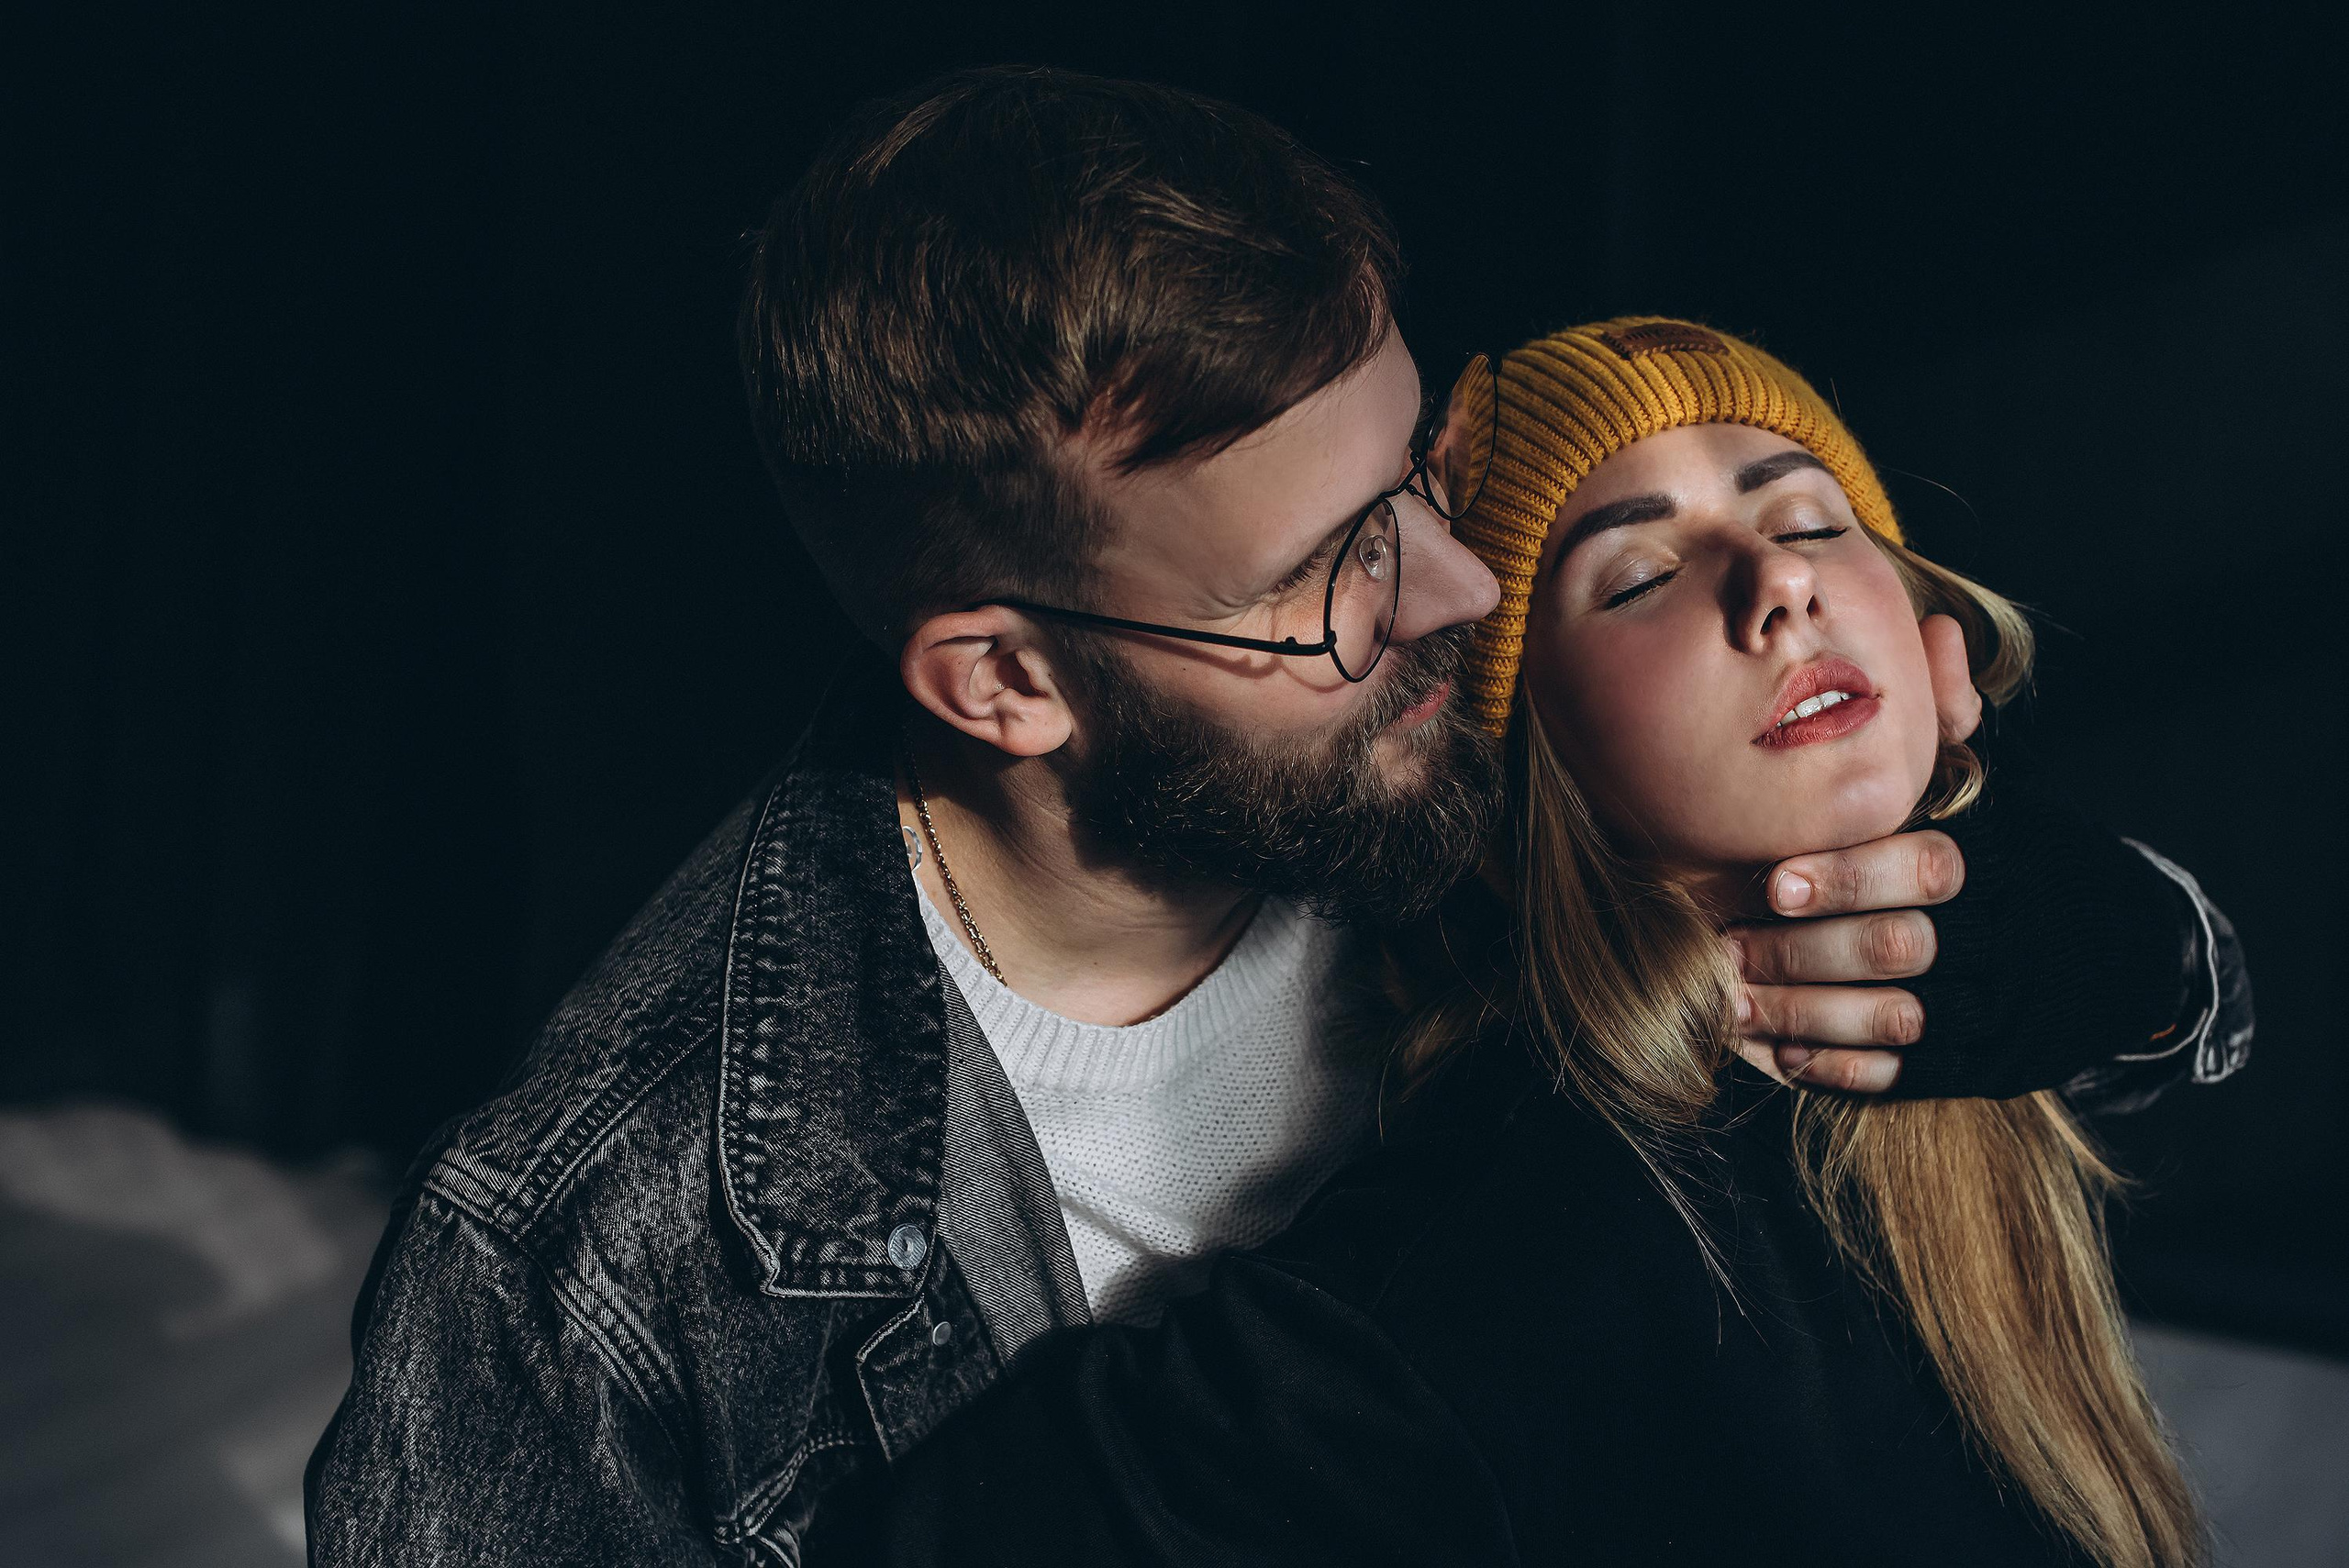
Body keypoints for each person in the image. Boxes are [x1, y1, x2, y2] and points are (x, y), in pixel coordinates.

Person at [302, 61, 2243, 1563]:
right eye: (1328, 577)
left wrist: (2136, 952)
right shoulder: (577, 1274)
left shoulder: (1431, 753)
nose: (1456, 593)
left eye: (1418, 478)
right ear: (1005, 681)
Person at [863, 321, 2252, 1568]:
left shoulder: (2016, 975)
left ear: (1928, 624)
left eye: (1816, 520)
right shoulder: (1537, 1237)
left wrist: (2158, 954)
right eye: (1640, 574)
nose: (1775, 578)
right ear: (1528, 767)